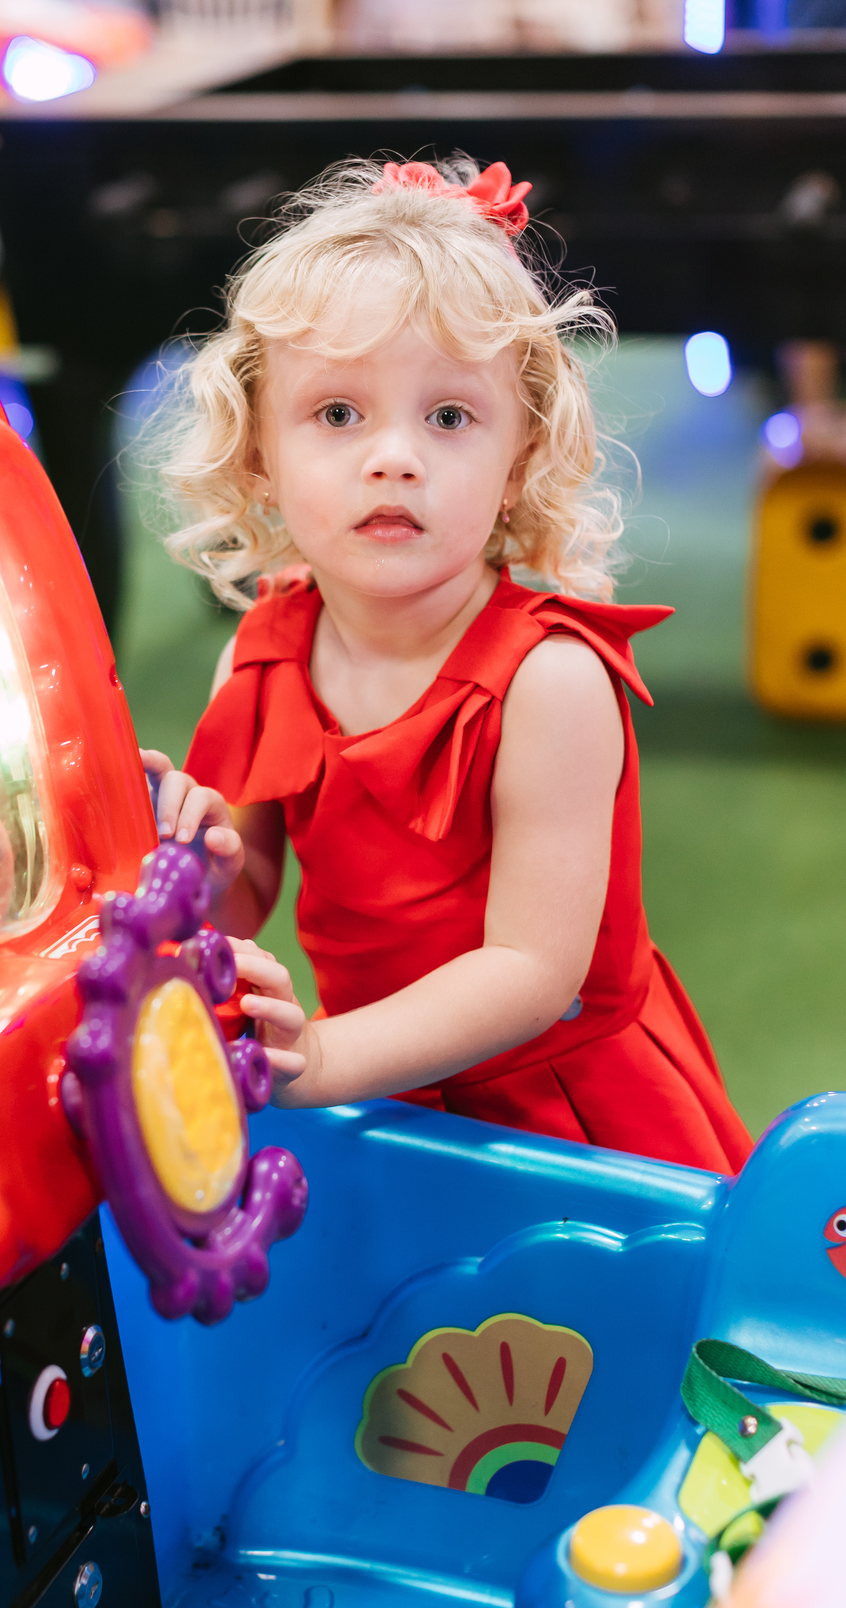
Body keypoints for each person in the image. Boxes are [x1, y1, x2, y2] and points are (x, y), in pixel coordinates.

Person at [141, 155, 752, 1175]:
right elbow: (247, 888)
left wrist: (328, 1056)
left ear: (519, 462)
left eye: (450, 417)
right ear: (260, 457)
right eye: (339, 414)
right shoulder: (261, 654)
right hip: (386, 1094)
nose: (394, 457)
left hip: (563, 1124)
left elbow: (533, 972)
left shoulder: (550, 680)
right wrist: (197, 867)